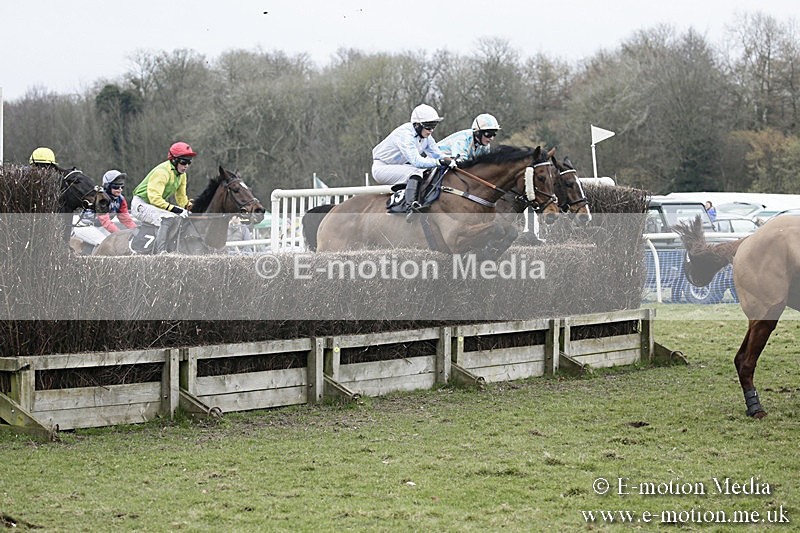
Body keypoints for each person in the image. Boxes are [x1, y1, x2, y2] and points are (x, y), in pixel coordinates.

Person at [371, 104, 456, 214]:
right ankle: (410, 206)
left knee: (425, 172)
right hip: (381, 168)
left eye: (434, 126)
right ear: (417, 125)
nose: (431, 130)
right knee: (416, 172)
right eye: (429, 126)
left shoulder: (426, 137)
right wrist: (439, 162)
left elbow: (437, 154)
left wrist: (451, 160)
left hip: (400, 166)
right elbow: (417, 161)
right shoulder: (405, 134)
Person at [129, 141, 196, 254]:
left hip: (154, 204)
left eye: (189, 162)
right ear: (174, 160)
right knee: (168, 218)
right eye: (184, 162)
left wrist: (190, 207)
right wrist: (176, 209)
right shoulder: (162, 172)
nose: (186, 166)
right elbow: (154, 198)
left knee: (179, 218)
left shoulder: (182, 175)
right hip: (140, 204)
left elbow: (181, 198)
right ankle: (161, 253)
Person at [437, 113, 501, 162]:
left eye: (494, 134)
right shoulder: (462, 140)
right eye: (488, 134)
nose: (491, 138)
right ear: (477, 133)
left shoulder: (485, 145)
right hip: (435, 159)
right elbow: (461, 164)